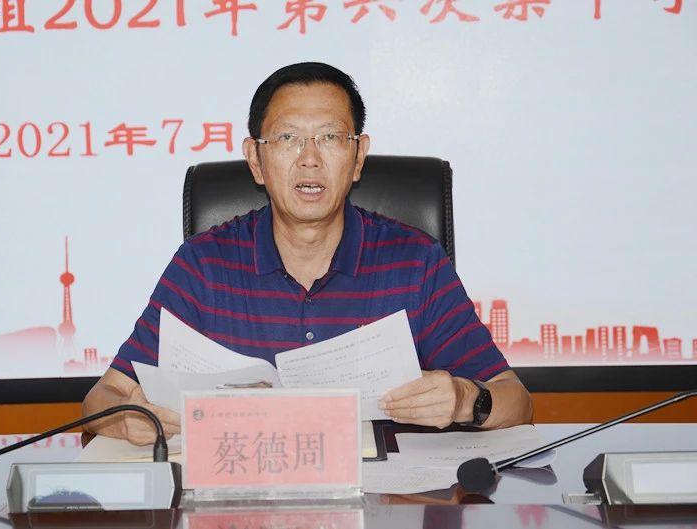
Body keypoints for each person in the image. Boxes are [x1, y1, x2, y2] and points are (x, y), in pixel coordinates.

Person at [82, 62, 533, 445]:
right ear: (255, 160)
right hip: (240, 499)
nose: (310, 158)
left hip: (383, 501)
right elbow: (102, 398)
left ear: (358, 157)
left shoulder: (415, 263)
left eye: (330, 137)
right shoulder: (203, 266)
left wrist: (465, 400)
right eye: (287, 138)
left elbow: (517, 401)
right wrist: (127, 419)